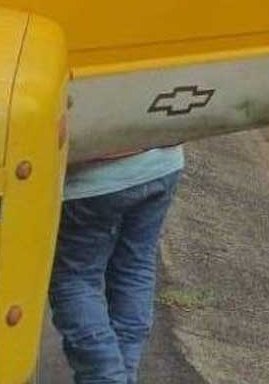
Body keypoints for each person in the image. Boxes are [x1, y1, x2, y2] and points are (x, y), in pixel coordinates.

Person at [48, 145, 184, 384]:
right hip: (162, 163)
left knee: (74, 280)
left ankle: (105, 377)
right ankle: (123, 375)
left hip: (93, 177)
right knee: (134, 268)